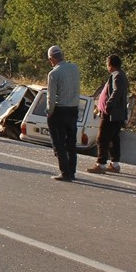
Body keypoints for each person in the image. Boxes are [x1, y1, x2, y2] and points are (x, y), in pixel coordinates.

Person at [87, 54, 130, 175]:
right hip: (114, 114)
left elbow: (117, 91)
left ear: (111, 64)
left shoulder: (117, 76)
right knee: (113, 139)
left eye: (107, 64)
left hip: (111, 114)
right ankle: (115, 164)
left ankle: (100, 165)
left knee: (102, 138)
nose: (107, 67)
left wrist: (108, 104)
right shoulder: (119, 75)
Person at [46, 44, 81, 182]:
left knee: (59, 143)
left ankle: (64, 172)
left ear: (51, 59)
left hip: (60, 110)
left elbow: (51, 95)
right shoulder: (74, 68)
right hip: (73, 109)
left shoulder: (54, 73)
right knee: (71, 142)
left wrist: (50, 111)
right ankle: (72, 171)